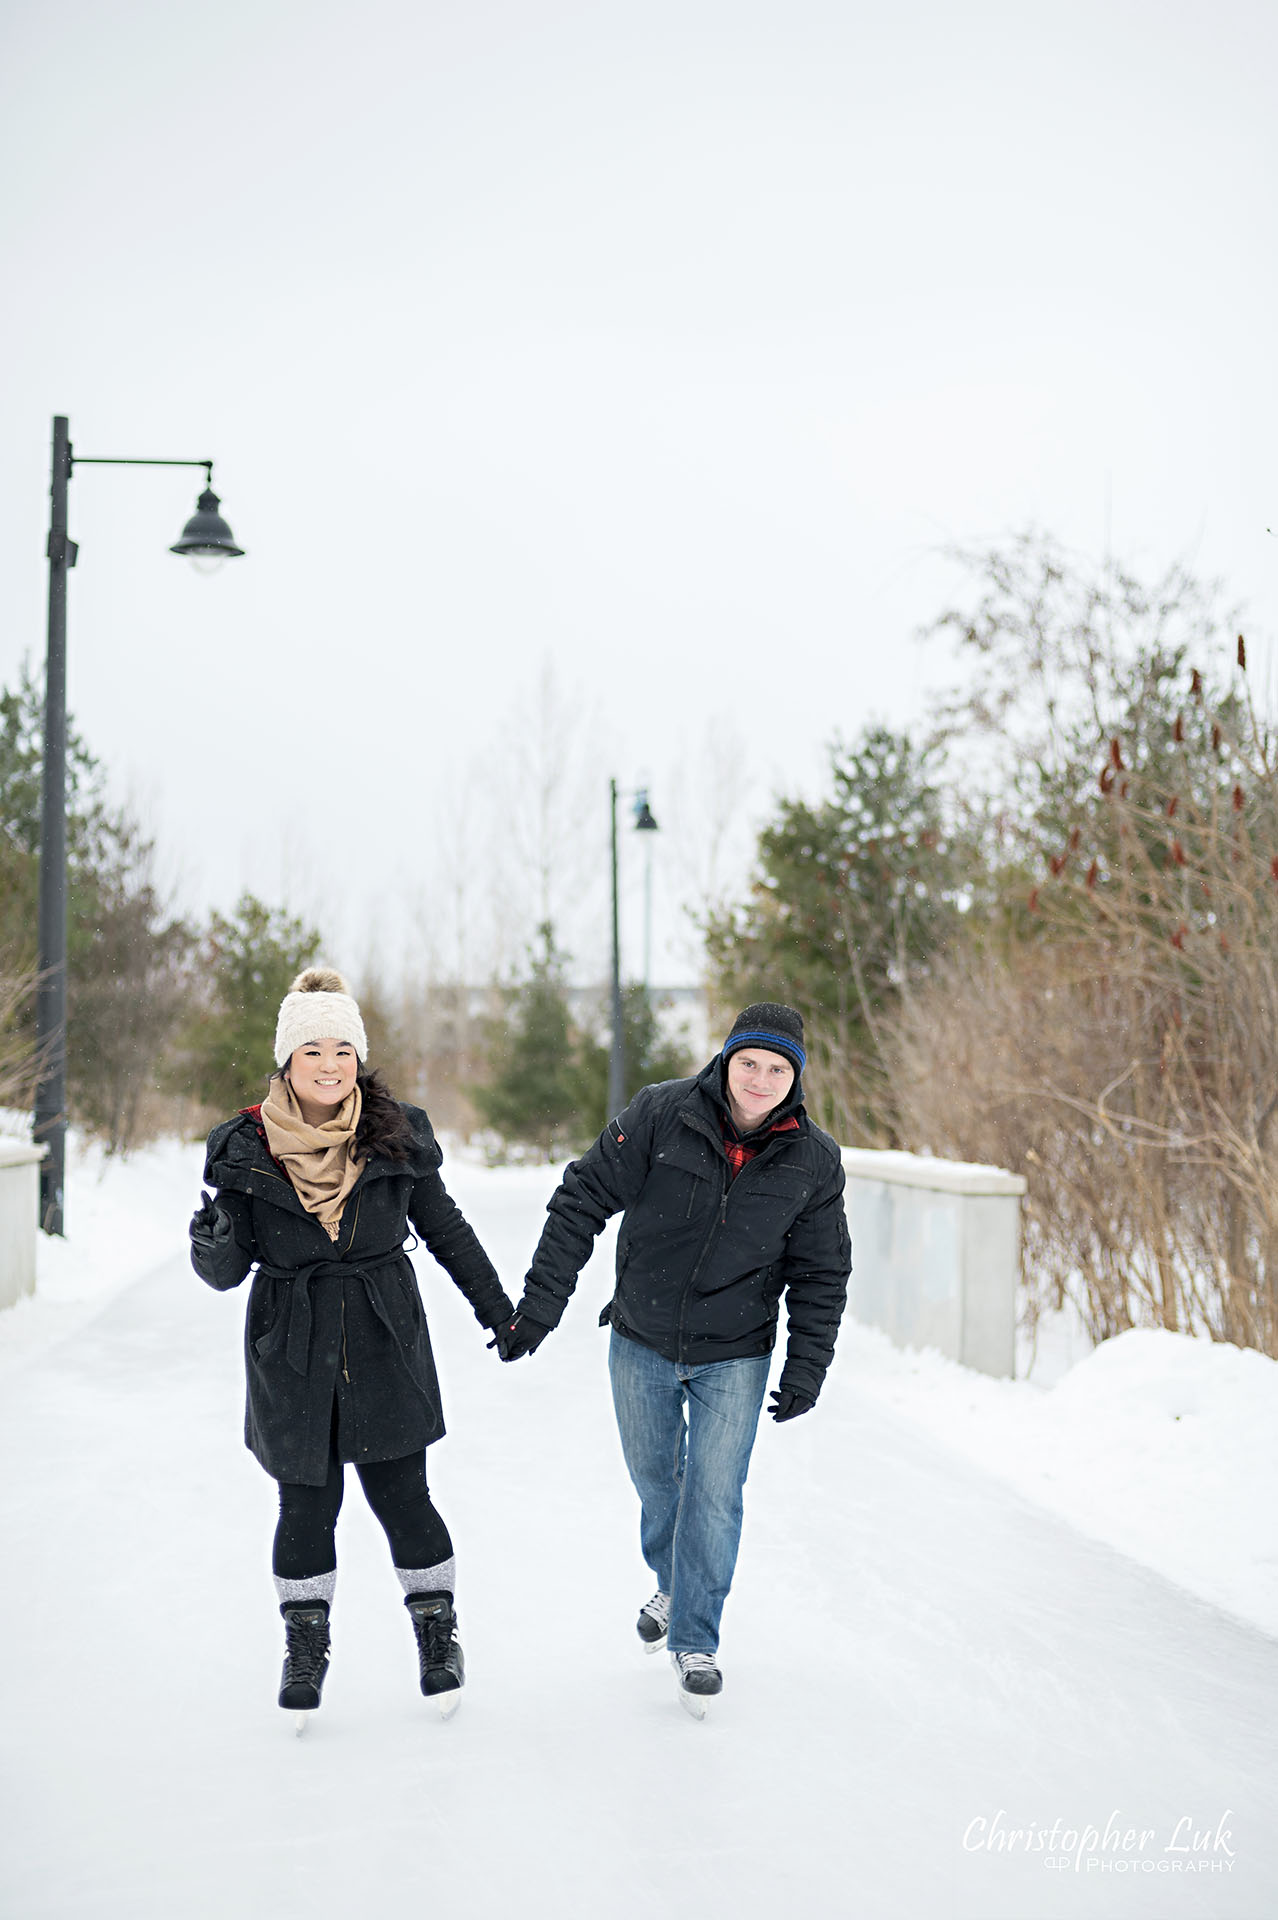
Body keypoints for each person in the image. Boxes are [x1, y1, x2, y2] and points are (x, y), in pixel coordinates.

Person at [495, 1002, 851, 1713]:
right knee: (660, 1485)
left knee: (714, 1496)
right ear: (726, 1060)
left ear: (795, 1078)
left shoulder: (814, 1161)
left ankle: (695, 1637)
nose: (759, 1078)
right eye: (748, 1062)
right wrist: (541, 1305)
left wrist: (807, 1366)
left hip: (735, 1354)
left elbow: (821, 1273)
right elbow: (581, 1198)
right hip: (641, 1338)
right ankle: (674, 1576)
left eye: (776, 1068)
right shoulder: (663, 1114)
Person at [189, 968, 516, 1722]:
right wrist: (210, 1247)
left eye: (342, 1048)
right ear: (287, 1062)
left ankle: (438, 1636)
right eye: (313, 1051)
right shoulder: (244, 1147)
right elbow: (227, 1270)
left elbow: (445, 1230)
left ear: (358, 1057)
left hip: (384, 1336)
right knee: (305, 1507)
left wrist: (500, 1311)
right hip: (290, 1347)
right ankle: (305, 1647)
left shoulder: (396, 1134)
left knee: (404, 1498)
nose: (330, 1064)